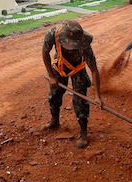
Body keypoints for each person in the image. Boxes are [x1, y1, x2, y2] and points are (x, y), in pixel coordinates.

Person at [42, 20, 103, 148]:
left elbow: (94, 70)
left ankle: (83, 131)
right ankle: (54, 120)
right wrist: (52, 76)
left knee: (80, 98)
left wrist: (98, 96)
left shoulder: (85, 45)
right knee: (54, 95)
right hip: (60, 66)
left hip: (78, 68)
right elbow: (45, 52)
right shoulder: (52, 34)